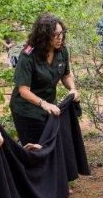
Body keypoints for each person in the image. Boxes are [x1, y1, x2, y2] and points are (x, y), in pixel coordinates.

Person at [10, 13, 80, 146]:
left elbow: (66, 75)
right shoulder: (28, 55)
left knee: (52, 146)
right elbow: (23, 90)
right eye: (54, 35)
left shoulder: (62, 51)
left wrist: (72, 89)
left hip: (50, 108)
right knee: (35, 149)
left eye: (62, 33)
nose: (60, 38)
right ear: (43, 36)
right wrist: (44, 104)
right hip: (27, 111)